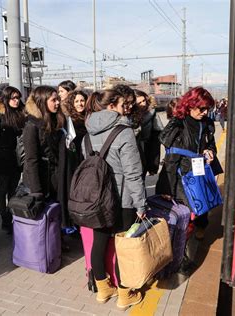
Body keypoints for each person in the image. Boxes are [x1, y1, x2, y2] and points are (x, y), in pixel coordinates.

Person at [85, 89, 146, 310]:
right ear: (111, 105)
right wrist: (140, 203)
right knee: (124, 247)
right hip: (123, 200)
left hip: (98, 199)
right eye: (124, 104)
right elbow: (132, 173)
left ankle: (102, 290)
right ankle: (124, 294)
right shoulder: (124, 131)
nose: (128, 107)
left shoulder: (88, 130)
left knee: (99, 242)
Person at [156, 87, 217, 240]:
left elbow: (211, 144)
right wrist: (165, 187)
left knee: (202, 206)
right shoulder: (178, 124)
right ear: (190, 104)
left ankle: (200, 226)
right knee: (184, 213)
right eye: (201, 108)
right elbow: (170, 158)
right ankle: (181, 247)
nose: (205, 112)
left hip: (200, 171)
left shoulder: (207, 124)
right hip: (179, 175)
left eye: (207, 109)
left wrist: (210, 151)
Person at [0, 86, 26, 233]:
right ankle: (5, 219)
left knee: (13, 190)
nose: (16, 101)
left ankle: (11, 215)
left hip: (17, 159)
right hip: (2, 159)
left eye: (18, 98)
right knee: (2, 189)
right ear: (6, 99)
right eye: (13, 98)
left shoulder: (22, 114)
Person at [23, 85, 65, 200]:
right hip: (43, 183)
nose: (57, 103)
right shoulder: (32, 126)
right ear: (42, 102)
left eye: (58, 100)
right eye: (53, 100)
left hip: (56, 178)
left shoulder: (55, 121)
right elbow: (31, 160)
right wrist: (36, 191)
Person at [58, 90, 87, 231]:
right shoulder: (68, 120)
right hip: (73, 161)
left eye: (82, 100)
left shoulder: (89, 117)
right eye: (76, 101)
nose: (80, 104)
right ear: (71, 103)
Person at [133, 90, 164, 179]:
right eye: (139, 102)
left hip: (146, 149)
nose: (143, 104)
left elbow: (156, 138)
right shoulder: (129, 116)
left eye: (144, 101)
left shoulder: (152, 113)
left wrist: (154, 164)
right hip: (133, 149)